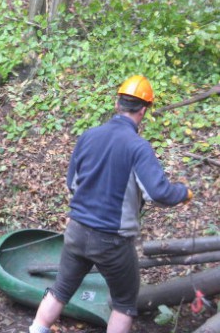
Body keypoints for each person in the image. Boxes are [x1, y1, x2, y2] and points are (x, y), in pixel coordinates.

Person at [29, 75, 193, 333]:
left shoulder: (88, 136)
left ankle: (37, 328)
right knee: (124, 304)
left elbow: (72, 182)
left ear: (117, 104)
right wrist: (183, 192)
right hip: (112, 241)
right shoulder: (138, 147)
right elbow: (159, 193)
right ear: (143, 110)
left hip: (77, 230)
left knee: (60, 290)